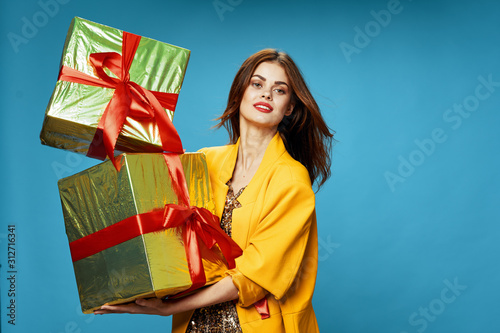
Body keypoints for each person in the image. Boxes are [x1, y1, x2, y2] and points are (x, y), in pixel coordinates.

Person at [95, 49, 334, 333]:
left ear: (290, 107)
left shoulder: (292, 180)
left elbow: (254, 276)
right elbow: (149, 182)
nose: (266, 94)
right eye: (257, 84)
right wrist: (119, 101)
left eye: (279, 90)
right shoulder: (206, 162)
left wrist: (169, 308)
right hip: (194, 325)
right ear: (239, 94)